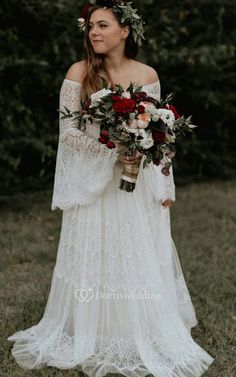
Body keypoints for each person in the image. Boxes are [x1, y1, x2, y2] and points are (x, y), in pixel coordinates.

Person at [8, 1, 214, 376]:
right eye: (90, 27)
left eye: (102, 25)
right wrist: (110, 151)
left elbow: (159, 133)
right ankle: (94, 328)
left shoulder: (147, 74)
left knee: (134, 249)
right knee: (96, 248)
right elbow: (67, 132)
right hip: (94, 180)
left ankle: (134, 325)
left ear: (124, 30)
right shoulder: (80, 72)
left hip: (138, 180)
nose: (94, 33)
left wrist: (164, 181)